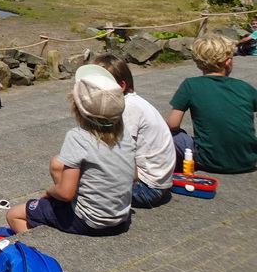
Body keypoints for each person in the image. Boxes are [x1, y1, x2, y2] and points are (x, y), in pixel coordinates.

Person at [7, 65, 134, 236]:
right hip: (120, 219)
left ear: (77, 107)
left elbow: (66, 194)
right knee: (58, 165)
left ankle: (38, 251)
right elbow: (134, 175)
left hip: (89, 221)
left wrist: (50, 191)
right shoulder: (124, 133)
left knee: (14, 214)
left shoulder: (78, 137)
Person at [167, 34, 257, 174]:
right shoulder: (244, 87)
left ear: (198, 62)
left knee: (170, 134)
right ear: (228, 62)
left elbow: (173, 124)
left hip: (207, 160)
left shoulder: (190, 85)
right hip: (249, 160)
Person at [94, 54, 174, 208]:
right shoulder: (135, 102)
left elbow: (126, 156)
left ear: (121, 86)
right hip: (158, 184)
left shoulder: (127, 109)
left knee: (84, 181)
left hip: (146, 189)